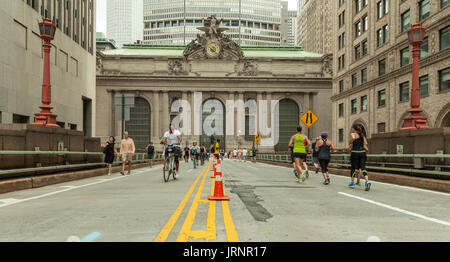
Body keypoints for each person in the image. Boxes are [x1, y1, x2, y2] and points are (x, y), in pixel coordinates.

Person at [348, 124, 371, 191]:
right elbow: (365, 144)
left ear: (354, 129)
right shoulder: (362, 135)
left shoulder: (353, 134)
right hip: (362, 153)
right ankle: (367, 181)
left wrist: (352, 141)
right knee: (363, 167)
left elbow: (352, 140)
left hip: (355, 153)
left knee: (353, 168)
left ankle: (352, 183)